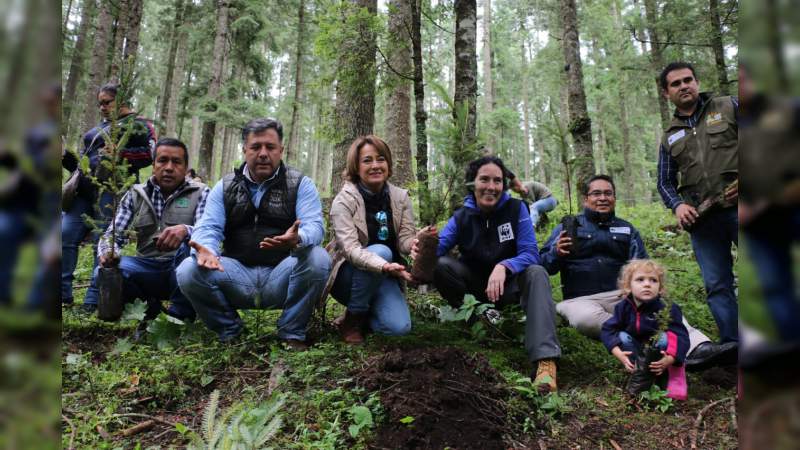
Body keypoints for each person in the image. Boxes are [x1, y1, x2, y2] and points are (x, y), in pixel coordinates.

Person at [541, 175, 735, 371]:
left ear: (615, 198)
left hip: (621, 296)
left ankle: (699, 347)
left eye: (608, 193)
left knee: (664, 309)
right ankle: (649, 344)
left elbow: (642, 266)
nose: (602, 198)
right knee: (585, 319)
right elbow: (544, 266)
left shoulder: (626, 228)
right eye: (596, 193)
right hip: (580, 300)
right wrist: (556, 252)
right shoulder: (566, 228)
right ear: (586, 199)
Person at [176, 118, 330, 349]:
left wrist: (297, 238)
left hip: (283, 273)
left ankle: (291, 332)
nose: (263, 153)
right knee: (188, 270)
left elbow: (314, 226)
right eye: (256, 147)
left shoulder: (301, 184)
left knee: (318, 258)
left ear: (281, 150)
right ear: (244, 150)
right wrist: (206, 248)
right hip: (235, 274)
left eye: (270, 147)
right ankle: (230, 331)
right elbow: (208, 226)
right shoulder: (225, 186)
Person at [417, 156, 561, 392]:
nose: (491, 187)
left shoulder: (517, 209)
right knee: (442, 265)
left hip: (508, 287)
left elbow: (531, 253)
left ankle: (546, 361)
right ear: (473, 183)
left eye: (497, 181)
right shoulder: (462, 216)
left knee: (536, 272)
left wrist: (505, 266)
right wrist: (421, 245)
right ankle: (475, 321)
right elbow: (438, 249)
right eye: (484, 179)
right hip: (474, 288)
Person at [656, 62, 739, 345]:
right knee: (717, 285)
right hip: (703, 220)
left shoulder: (728, 106)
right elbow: (664, 182)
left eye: (688, 80)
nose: (684, 86)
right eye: (675, 84)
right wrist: (678, 206)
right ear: (667, 93)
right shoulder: (670, 135)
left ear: (697, 81)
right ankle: (733, 347)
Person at [95, 138, 209, 336]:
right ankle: (152, 314)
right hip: (147, 267)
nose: (168, 168)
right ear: (154, 164)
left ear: (185, 167)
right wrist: (108, 252)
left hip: (183, 268)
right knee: (103, 272)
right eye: (162, 161)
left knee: (189, 252)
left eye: (176, 162)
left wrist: (185, 230)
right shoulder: (135, 194)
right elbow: (113, 234)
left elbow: (207, 232)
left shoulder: (201, 192)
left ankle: (180, 318)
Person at [62, 82, 156, 312]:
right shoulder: (99, 128)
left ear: (121, 100)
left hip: (112, 192)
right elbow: (83, 165)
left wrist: (120, 153)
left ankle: (93, 299)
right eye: (99, 103)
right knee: (64, 234)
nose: (102, 107)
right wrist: (65, 157)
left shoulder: (139, 125)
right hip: (83, 192)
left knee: (101, 243)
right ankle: (62, 293)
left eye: (107, 102)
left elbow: (150, 155)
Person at [325, 135, 415, 344]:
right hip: (349, 277)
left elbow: (404, 239)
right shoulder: (344, 200)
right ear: (356, 166)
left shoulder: (400, 197)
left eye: (380, 159)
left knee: (399, 328)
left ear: (388, 163)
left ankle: (366, 316)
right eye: (367, 160)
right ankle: (353, 318)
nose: (375, 165)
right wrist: (383, 265)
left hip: (384, 276)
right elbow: (351, 250)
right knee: (381, 251)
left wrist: (414, 244)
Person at [601, 259, 689, 398]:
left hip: (661, 351)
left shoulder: (667, 307)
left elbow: (680, 335)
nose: (647, 284)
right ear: (628, 286)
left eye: (653, 280)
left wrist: (671, 358)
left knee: (664, 336)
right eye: (640, 280)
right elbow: (608, 330)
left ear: (660, 288)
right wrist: (619, 354)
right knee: (622, 336)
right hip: (637, 350)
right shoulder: (623, 307)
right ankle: (641, 374)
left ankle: (671, 372)